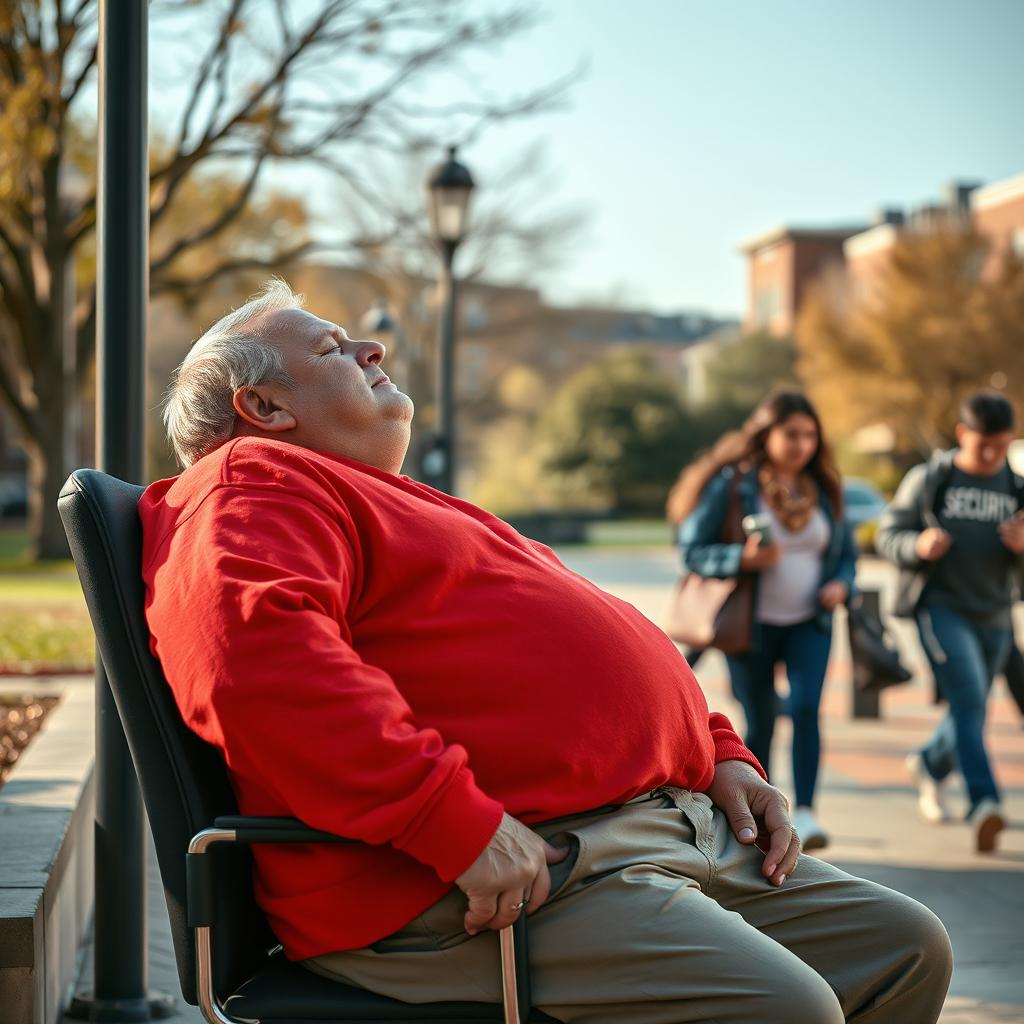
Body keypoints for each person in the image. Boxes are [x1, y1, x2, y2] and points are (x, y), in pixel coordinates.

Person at [140, 281, 950, 1024]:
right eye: (329, 348)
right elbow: (251, 666)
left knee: (903, 948)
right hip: (496, 876)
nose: (371, 350)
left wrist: (719, 754)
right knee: (787, 1011)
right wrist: (449, 822)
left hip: (656, 826)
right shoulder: (251, 482)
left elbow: (594, 645)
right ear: (264, 406)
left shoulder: (390, 499)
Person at [673, 391, 856, 852]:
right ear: (767, 435)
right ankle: (764, 817)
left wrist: (841, 582)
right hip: (749, 629)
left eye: (810, 435)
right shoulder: (736, 485)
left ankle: (809, 814)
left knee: (807, 709)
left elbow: (845, 554)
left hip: (809, 623)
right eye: (791, 434)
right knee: (760, 722)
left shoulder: (824, 487)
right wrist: (743, 558)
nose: (801, 444)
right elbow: (692, 549)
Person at [876, 390, 1024, 852]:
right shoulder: (930, 480)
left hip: (996, 611)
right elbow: (888, 534)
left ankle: (930, 763)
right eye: (983, 445)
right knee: (969, 697)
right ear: (962, 435)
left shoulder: (1017, 489)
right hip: (942, 608)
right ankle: (984, 801)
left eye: (1001, 445)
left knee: (972, 705)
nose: (992, 455)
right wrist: (917, 546)